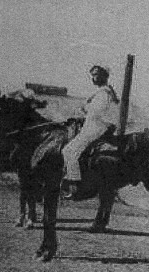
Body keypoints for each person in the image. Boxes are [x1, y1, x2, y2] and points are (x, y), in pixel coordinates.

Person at [61, 65, 119, 200]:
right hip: (93, 125)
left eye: (96, 75)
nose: (94, 78)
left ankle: (74, 185)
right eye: (92, 75)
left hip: (97, 127)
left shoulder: (104, 93)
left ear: (104, 76)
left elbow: (97, 111)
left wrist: (85, 108)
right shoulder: (101, 92)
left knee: (69, 151)